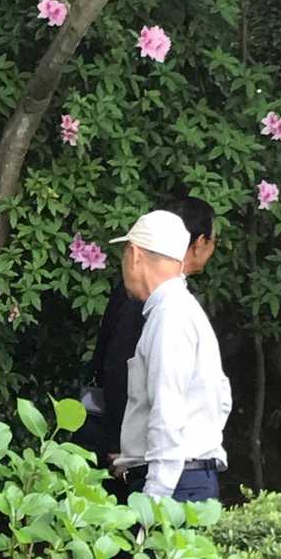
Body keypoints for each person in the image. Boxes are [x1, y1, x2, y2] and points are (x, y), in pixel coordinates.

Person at [109, 209, 231, 502]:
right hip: (184, 478)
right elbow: (221, 400)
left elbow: (168, 411)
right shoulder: (178, 309)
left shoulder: (170, 317)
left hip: (173, 486)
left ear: (134, 255)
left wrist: (155, 498)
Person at [85, 196, 217, 464]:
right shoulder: (148, 293)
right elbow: (118, 365)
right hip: (126, 445)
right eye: (214, 240)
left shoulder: (162, 295)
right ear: (200, 242)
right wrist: (119, 444)